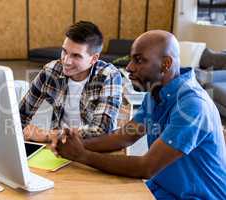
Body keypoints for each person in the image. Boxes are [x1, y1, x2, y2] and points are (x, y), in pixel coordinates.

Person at [56, 30, 226, 199]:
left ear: (166, 64)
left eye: (139, 60)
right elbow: (123, 137)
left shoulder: (192, 106)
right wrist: (76, 144)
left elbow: (146, 167)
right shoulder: (156, 93)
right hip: (163, 190)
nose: (129, 67)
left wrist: (82, 155)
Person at [19, 21, 123, 142]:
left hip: (94, 149)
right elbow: (20, 116)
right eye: (64, 51)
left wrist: (48, 135)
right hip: (58, 148)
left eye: (76, 56)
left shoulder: (109, 76)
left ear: (94, 58)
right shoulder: (51, 71)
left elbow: (101, 131)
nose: (66, 61)